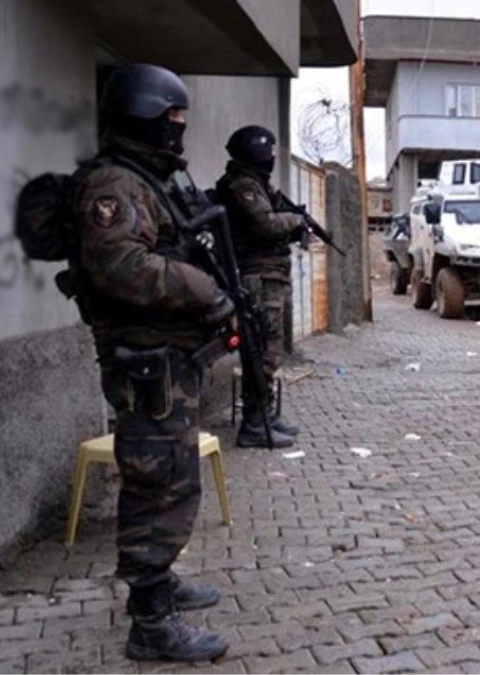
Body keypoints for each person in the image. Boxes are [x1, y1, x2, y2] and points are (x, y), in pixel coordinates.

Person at [72, 63, 230, 662]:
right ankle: (150, 623)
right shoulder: (113, 186)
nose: (179, 131)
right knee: (156, 483)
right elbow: (123, 267)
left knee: (172, 477)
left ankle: (160, 583)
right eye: (172, 118)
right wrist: (204, 291)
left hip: (166, 359)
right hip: (147, 365)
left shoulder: (145, 178)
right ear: (144, 114)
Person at [214, 125, 306, 448]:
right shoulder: (242, 185)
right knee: (262, 352)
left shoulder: (256, 183)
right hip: (259, 277)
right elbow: (265, 224)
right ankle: (255, 424)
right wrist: (296, 221)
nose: (270, 157)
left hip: (270, 276)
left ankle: (265, 415)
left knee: (270, 351)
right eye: (266, 151)